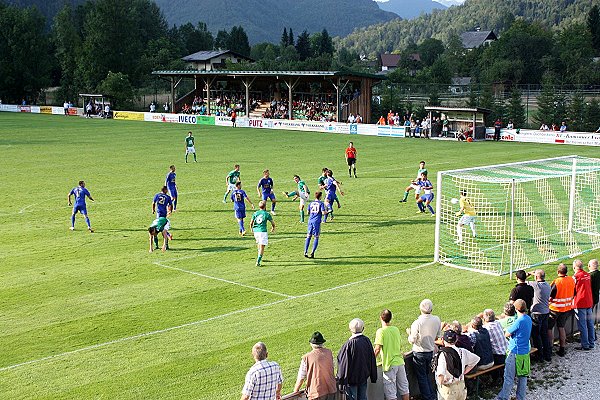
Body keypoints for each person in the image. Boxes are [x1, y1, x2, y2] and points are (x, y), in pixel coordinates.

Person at [496, 299, 532, 400]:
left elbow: (507, 333)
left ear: (516, 309)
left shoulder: (519, 321)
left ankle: (503, 397)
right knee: (523, 377)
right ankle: (520, 397)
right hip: (525, 353)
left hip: (514, 352)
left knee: (509, 378)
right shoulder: (528, 318)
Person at [407, 299, 441, 400]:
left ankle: (429, 397)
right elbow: (437, 336)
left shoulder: (417, 323)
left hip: (420, 353)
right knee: (428, 376)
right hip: (430, 351)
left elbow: (412, 340)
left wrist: (409, 333)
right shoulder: (436, 319)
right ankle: (432, 396)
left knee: (422, 377)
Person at [337, 318, 377, 400]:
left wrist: (340, 383)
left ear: (350, 329)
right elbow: (372, 359)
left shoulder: (348, 345)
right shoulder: (366, 341)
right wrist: (373, 376)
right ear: (363, 328)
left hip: (352, 380)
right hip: (363, 377)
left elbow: (342, 365)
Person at [374, 309, 410, 400]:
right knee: (404, 388)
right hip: (400, 362)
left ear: (380, 318)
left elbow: (377, 349)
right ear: (391, 318)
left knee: (390, 393)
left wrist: (370, 360)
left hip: (389, 364)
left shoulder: (381, 331)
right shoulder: (395, 329)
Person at [434, 330, 480, 400]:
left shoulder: (442, 355)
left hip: (448, 389)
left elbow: (440, 374)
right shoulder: (462, 351)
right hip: (461, 386)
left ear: (443, 340)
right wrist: (465, 372)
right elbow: (476, 359)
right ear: (456, 340)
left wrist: (440, 385)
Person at [293, 332, 337, 400]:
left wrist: (295, 391)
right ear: (322, 343)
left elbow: (301, 377)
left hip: (316, 393)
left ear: (311, 344)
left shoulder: (306, 358)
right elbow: (332, 366)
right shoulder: (329, 352)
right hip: (331, 389)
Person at [548, 263, 575, 357]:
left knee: (549, 328)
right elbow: (574, 293)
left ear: (558, 271)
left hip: (554, 309)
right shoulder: (571, 280)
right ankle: (562, 348)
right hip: (566, 308)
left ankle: (550, 348)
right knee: (561, 327)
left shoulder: (557, 282)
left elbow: (550, 296)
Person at [525, 269, 552, 362]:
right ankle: (548, 355)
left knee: (536, 335)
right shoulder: (548, 285)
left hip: (537, 314)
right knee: (544, 334)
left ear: (536, 277)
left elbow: (522, 280)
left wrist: (529, 273)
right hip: (546, 312)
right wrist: (536, 274)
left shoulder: (535, 285)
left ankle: (539, 355)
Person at [573, 259, 595, 350]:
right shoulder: (587, 275)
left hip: (580, 303)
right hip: (589, 301)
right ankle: (591, 342)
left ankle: (585, 345)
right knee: (590, 323)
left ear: (574, 267)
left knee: (582, 325)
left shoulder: (576, 277)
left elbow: (573, 290)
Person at [250, 200, 275, 267]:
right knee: (262, 247)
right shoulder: (267, 214)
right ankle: (258, 261)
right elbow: (272, 223)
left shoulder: (255, 213)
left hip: (256, 231)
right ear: (265, 206)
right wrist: (273, 228)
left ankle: (259, 257)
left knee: (259, 244)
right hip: (262, 231)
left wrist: (251, 229)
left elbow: (251, 223)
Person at [304, 191, 328, 258]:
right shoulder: (321, 203)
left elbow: (307, 212)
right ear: (320, 196)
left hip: (310, 221)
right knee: (316, 237)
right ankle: (312, 252)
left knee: (308, 236)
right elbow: (323, 213)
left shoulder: (311, 203)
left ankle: (305, 252)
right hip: (316, 221)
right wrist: (327, 212)